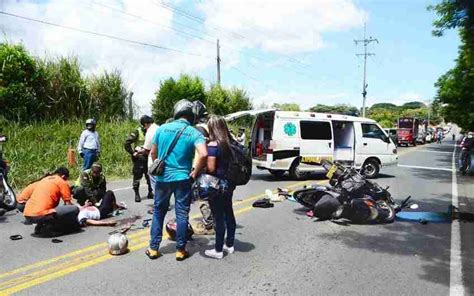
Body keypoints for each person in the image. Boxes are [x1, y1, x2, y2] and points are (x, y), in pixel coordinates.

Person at [146, 99, 208, 261]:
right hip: (183, 179)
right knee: (181, 214)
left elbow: (153, 153)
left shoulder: (162, 129)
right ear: (191, 116)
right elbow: (204, 154)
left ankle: (153, 248)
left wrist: (159, 166)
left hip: (163, 178)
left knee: (159, 212)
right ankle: (180, 250)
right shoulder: (194, 132)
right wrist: (194, 173)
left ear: (176, 113)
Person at [204, 115, 237, 259]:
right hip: (229, 183)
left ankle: (218, 250)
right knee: (228, 213)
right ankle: (229, 245)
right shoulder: (229, 144)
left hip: (216, 185)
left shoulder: (213, 145)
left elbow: (211, 168)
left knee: (218, 217)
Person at [19, 167, 79, 236]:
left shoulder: (44, 180)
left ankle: (40, 227)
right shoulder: (62, 182)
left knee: (47, 207)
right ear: (63, 176)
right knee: (74, 209)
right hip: (40, 215)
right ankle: (51, 228)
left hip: (27, 214)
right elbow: (68, 204)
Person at [124, 115, 154, 202]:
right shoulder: (137, 132)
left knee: (150, 175)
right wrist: (133, 153)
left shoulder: (151, 131)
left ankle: (150, 192)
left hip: (149, 156)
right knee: (137, 176)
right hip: (139, 158)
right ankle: (137, 194)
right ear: (144, 124)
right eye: (148, 124)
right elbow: (126, 143)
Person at [143, 116, 160, 196]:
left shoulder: (150, 132)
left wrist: (139, 151)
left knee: (155, 184)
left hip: (154, 161)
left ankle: (158, 205)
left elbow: (147, 149)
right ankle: (165, 204)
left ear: (146, 124)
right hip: (162, 160)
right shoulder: (159, 128)